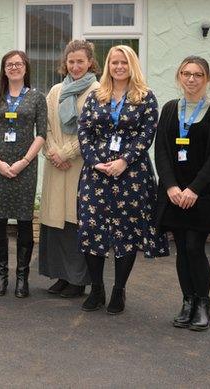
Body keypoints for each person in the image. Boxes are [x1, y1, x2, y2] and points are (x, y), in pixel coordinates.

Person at [77, 45, 168, 314]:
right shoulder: (96, 96)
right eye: (114, 62)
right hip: (96, 173)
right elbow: (84, 131)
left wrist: (123, 161)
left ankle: (118, 290)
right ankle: (97, 289)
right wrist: (95, 161)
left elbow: (146, 134)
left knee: (125, 232)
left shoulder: (146, 97)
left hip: (132, 175)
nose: (119, 67)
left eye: (124, 63)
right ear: (108, 65)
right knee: (92, 230)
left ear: (132, 66)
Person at [155, 56, 210, 331]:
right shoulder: (169, 109)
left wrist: (193, 189)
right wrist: (171, 187)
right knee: (181, 251)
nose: (191, 79)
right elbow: (162, 152)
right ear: (179, 77)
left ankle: (202, 304)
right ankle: (187, 302)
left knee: (193, 247)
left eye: (198, 74)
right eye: (186, 73)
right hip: (175, 193)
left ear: (207, 79)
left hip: (203, 193)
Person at [0, 51, 47, 297]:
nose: (14, 68)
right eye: (10, 65)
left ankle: (22, 277)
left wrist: (24, 161)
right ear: (4, 69)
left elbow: (42, 133)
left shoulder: (37, 97)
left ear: (25, 68)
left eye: (18, 64)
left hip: (25, 166)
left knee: (24, 220)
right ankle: (1, 275)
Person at [39, 40, 100, 298]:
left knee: (76, 223)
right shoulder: (55, 91)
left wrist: (65, 153)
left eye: (80, 62)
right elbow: (46, 126)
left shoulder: (98, 91)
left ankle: (78, 280)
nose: (75, 66)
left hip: (80, 166)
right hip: (55, 166)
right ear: (64, 63)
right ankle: (61, 276)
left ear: (90, 63)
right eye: (71, 62)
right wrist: (52, 151)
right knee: (55, 224)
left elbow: (93, 132)